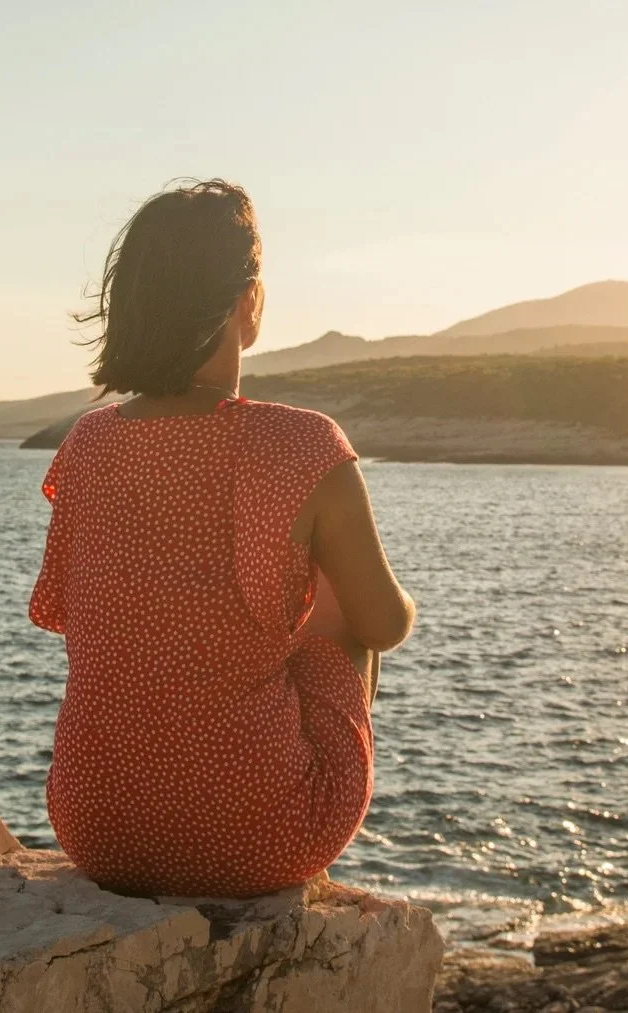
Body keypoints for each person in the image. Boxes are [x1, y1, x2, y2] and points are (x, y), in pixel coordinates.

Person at [28, 178, 415, 898]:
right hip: (262, 837)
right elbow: (383, 625)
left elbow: (79, 618)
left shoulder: (86, 444)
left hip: (96, 830)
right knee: (338, 615)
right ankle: (305, 861)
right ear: (250, 304)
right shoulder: (303, 444)